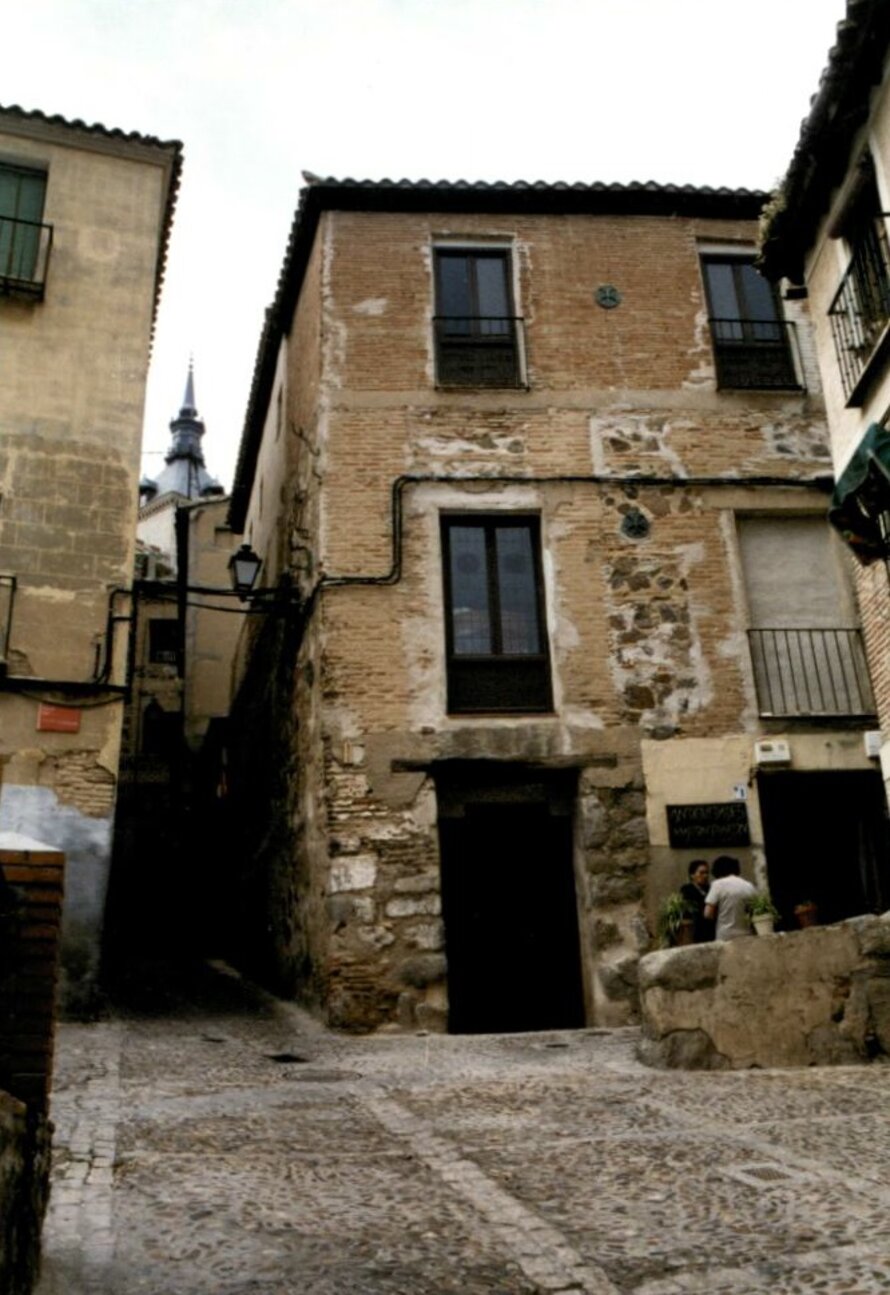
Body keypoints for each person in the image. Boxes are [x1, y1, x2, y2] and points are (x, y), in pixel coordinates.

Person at [704, 855, 756, 941]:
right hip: (747, 934)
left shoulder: (718, 884)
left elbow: (708, 913)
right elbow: (755, 911)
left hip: (725, 935)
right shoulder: (748, 886)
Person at [680, 859, 714, 943]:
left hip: (711, 930)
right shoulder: (687, 889)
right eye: (701, 873)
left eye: (707, 873)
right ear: (692, 875)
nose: (705, 876)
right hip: (696, 930)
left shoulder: (711, 889)